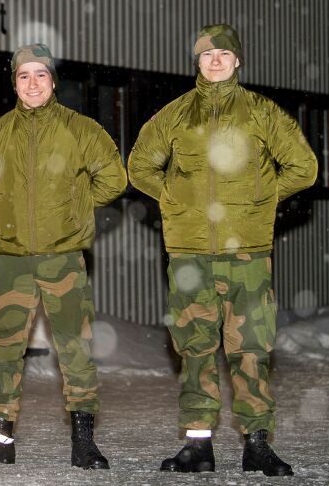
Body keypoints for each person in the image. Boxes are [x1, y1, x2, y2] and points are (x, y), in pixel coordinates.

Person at [128, 24, 317, 476]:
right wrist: (173, 197)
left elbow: (304, 167)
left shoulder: (262, 112)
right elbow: (138, 166)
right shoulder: (174, 115)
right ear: (196, 62)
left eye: (224, 54)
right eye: (207, 55)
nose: (216, 61)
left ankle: (257, 443)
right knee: (194, 348)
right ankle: (198, 445)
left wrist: (262, 196)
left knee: (250, 348)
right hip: (189, 251)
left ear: (237, 61)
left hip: (246, 252)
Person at [0, 43, 126, 468]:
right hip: (11, 259)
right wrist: (8, 202)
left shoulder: (80, 130)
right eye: (23, 76)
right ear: (14, 83)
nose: (32, 83)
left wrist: (75, 205)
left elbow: (112, 177)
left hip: (63, 257)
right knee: (5, 349)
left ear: (53, 81)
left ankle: (84, 441)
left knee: (75, 348)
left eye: (40, 75)